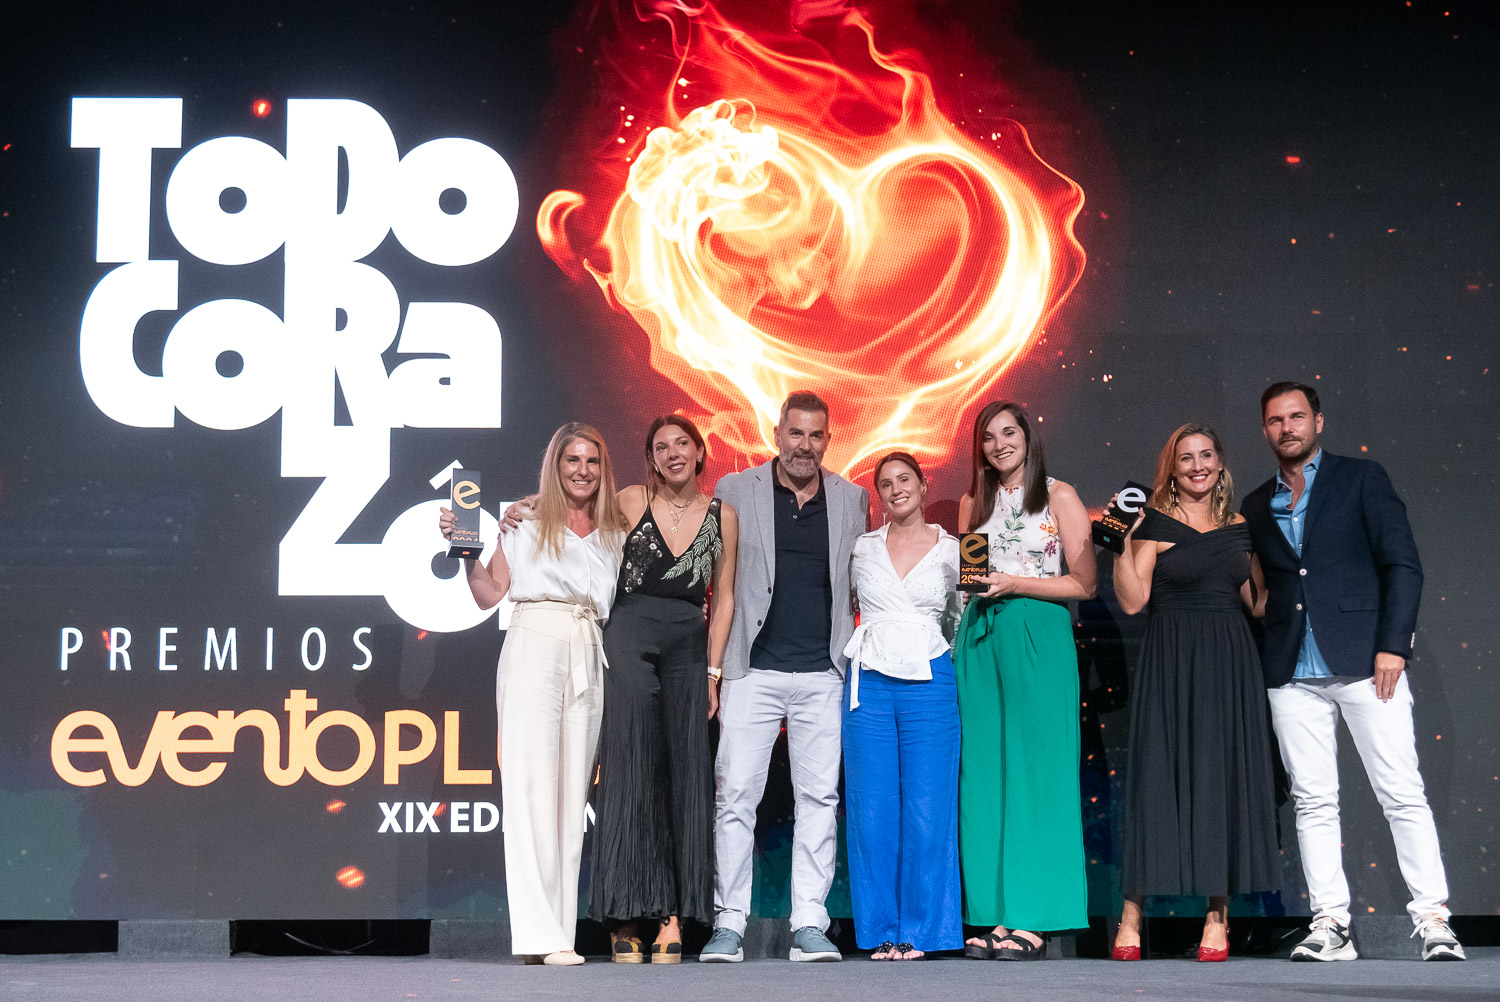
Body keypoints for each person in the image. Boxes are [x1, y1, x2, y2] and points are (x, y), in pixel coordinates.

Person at [1242, 382, 1465, 962]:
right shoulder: (1256, 503)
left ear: (1318, 421)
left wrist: (1394, 646)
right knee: (1313, 801)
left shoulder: (1361, 478)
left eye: (1297, 416)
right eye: (1276, 420)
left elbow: (1403, 565)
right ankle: (1331, 924)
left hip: (1368, 662)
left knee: (1401, 792)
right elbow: (1270, 586)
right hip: (1291, 671)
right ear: (1264, 430)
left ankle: (1434, 918)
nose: (1287, 427)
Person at [438, 422, 627, 966]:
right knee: (530, 791)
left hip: (588, 649)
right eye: (572, 460)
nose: (582, 471)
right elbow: (488, 594)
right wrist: (465, 550)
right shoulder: (524, 522)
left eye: (592, 461)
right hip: (534, 642)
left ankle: (558, 935)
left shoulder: (615, 530)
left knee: (572, 797)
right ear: (555, 464)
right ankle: (538, 936)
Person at [699, 391, 869, 963]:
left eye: (816, 436)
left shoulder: (851, 498)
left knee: (819, 799)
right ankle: (729, 923)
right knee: (735, 797)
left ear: (828, 439)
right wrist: (714, 670)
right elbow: (712, 578)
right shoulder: (735, 489)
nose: (805, 446)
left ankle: (810, 924)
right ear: (777, 435)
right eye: (796, 433)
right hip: (752, 670)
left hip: (824, 672)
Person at [1109, 424, 1281, 963]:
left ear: (1220, 463)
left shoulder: (1240, 526)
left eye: (1206, 455)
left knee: (1220, 780)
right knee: (1158, 780)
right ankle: (1131, 916)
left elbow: (1257, 602)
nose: (1198, 465)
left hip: (1230, 664)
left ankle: (1217, 916)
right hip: (1171, 661)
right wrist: (1121, 544)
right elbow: (1133, 602)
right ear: (1173, 468)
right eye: (1186, 458)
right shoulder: (1152, 523)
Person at [590, 415, 739, 964]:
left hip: (688, 648)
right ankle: (626, 915)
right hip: (629, 635)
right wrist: (531, 507)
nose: (673, 453)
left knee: (685, 776)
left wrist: (713, 673)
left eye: (683, 444)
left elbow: (724, 598)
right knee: (631, 771)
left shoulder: (724, 516)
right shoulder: (631, 500)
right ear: (651, 458)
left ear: (700, 453)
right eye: (661, 447)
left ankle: (672, 916)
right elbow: (575, 517)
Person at [955, 401, 1095, 961]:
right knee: (987, 775)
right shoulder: (972, 502)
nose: (999, 444)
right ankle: (997, 912)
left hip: (1038, 633)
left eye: (1008, 432)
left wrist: (1015, 583)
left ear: (1027, 437)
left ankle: (1035, 915)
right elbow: (971, 578)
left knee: (1038, 773)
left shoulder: (1059, 496)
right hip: (981, 636)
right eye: (988, 437)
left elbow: (1084, 583)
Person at [841, 452, 963, 961]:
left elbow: (960, 616)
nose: (896, 490)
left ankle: (922, 932)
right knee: (871, 812)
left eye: (904, 479)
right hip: (868, 682)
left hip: (930, 679)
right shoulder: (863, 547)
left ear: (923, 484)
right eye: (886, 484)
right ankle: (881, 931)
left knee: (928, 810)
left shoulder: (953, 549)